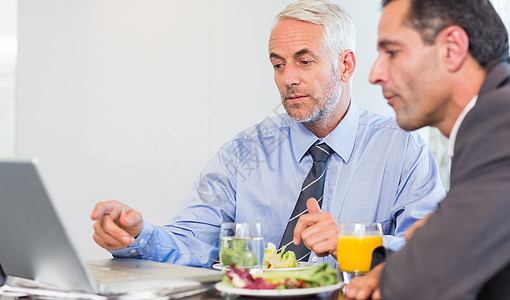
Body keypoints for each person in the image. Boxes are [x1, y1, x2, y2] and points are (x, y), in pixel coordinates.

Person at [91, 0, 444, 269]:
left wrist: (353, 242)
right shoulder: (242, 154)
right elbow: (191, 241)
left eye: (304, 62)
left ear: (346, 65)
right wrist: (137, 236)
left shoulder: (401, 147)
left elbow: (434, 253)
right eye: (278, 64)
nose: (288, 78)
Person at [344, 0, 510, 299]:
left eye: (391, 52)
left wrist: (420, 252)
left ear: (452, 49)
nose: (374, 74)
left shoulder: (500, 120)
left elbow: (421, 281)